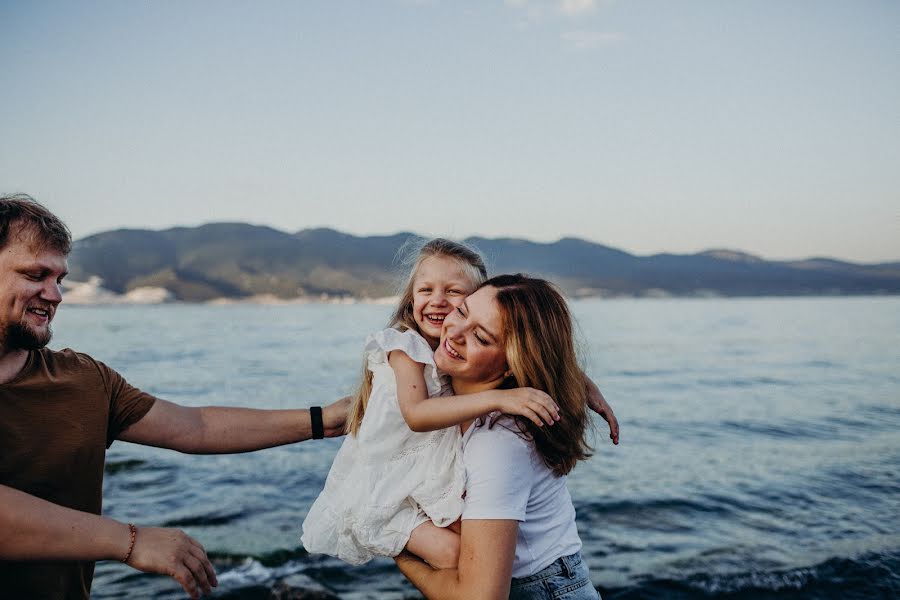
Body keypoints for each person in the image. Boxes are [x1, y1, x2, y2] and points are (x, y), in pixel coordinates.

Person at [0, 194, 350, 600]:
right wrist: (129, 541)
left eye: (59, 280)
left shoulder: (83, 379)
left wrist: (322, 420)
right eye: (35, 275)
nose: (55, 294)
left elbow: (194, 426)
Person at [302, 240, 618, 571]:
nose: (437, 301)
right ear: (411, 298)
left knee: (466, 546)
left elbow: (544, 354)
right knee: (455, 554)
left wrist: (590, 392)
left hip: (421, 470)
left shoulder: (449, 349)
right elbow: (416, 415)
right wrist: (499, 397)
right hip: (385, 478)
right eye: (425, 290)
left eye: (454, 295)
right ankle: (377, 529)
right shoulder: (406, 346)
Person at [395, 274, 604, 599]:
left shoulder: (498, 442)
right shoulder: (447, 385)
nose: (454, 333)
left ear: (511, 365)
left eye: (480, 337)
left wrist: (394, 545)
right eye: (462, 312)